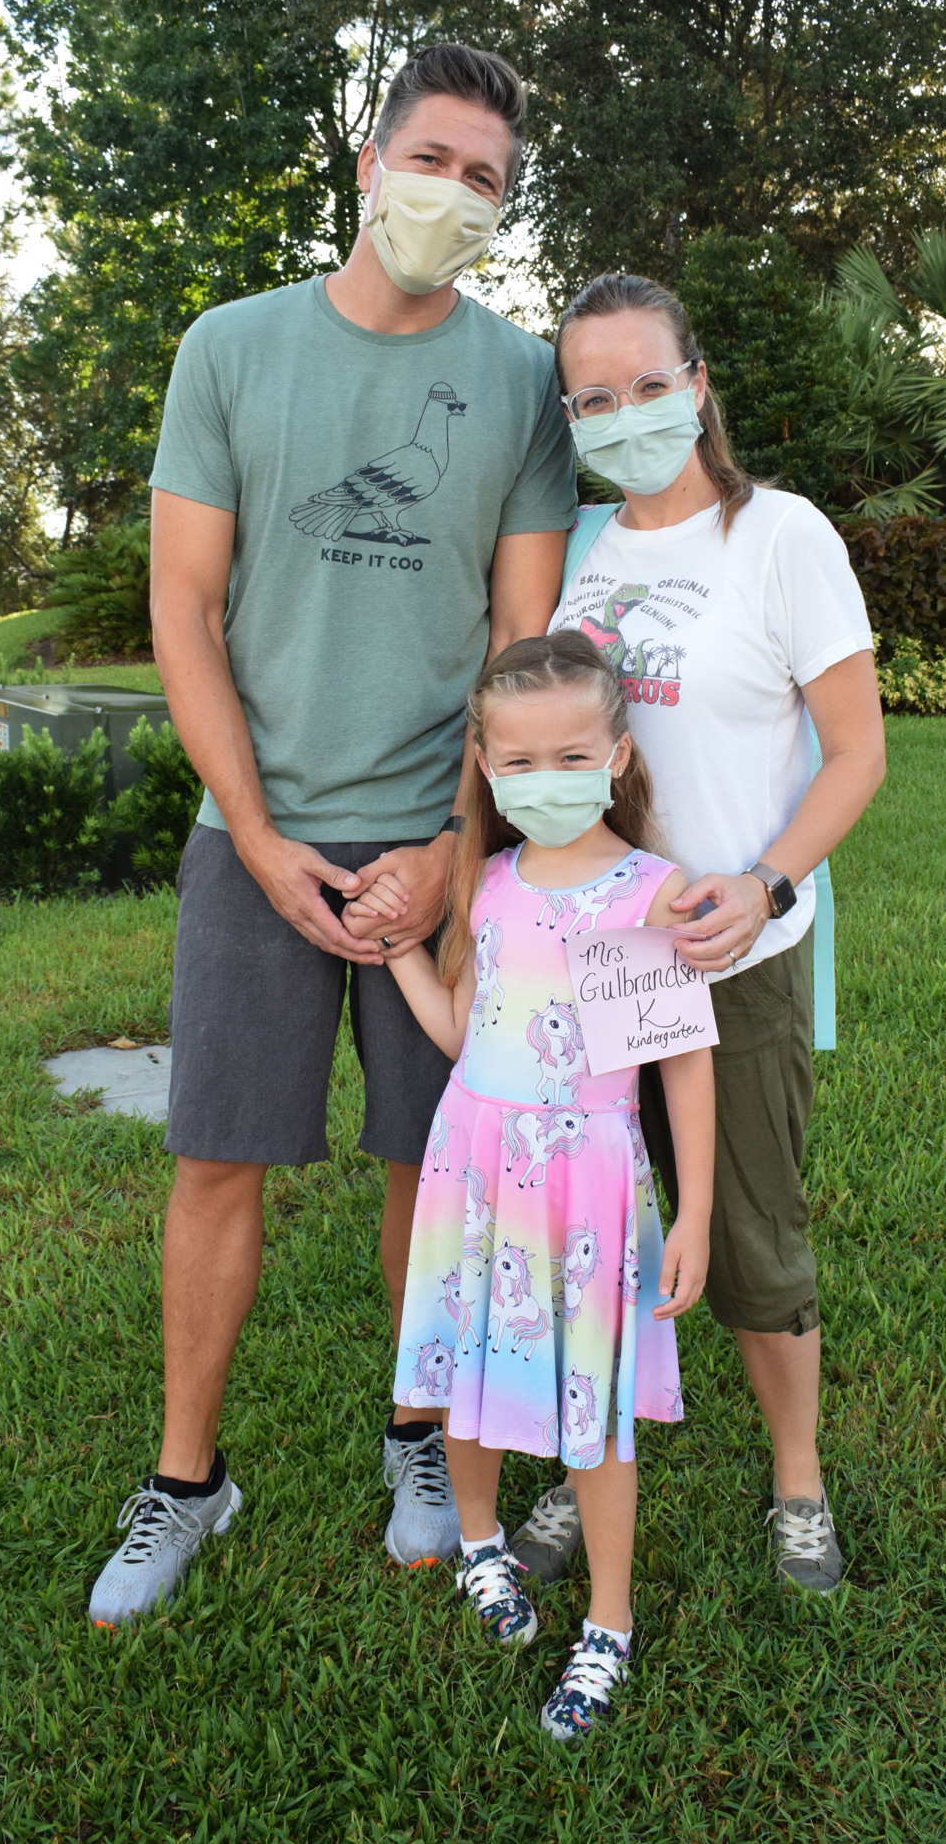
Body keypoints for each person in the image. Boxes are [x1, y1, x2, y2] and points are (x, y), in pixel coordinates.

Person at [87, 44, 578, 1628]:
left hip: (441, 846)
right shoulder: (230, 350)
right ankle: (184, 1481)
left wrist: (452, 853)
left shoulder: (519, 383)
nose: (454, 194)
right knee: (218, 1158)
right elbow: (183, 609)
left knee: (431, 1166)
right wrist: (253, 831)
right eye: (432, 159)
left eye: (486, 179)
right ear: (371, 168)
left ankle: (418, 1442)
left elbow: (521, 646)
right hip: (260, 836)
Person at [526, 272, 886, 1596]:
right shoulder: (564, 552)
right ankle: (589, 1459)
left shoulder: (780, 538)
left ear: (697, 387)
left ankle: (795, 1476)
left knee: (748, 1232)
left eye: (646, 385)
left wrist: (767, 885)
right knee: (595, 1232)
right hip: (588, 955)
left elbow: (855, 755)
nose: (624, 414)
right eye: (594, 397)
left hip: (732, 953)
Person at [365, 631, 713, 1739]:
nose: (543, 781)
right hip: (475, 1160)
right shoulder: (488, 881)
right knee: (465, 1365)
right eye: (517, 762)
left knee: (594, 1409)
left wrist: (695, 1207)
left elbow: (680, 1059)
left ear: (616, 754)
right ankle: (480, 1542)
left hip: (593, 1177)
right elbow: (468, 1029)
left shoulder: (654, 892)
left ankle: (607, 1619)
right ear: (484, 761)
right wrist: (400, 957)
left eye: (571, 757)